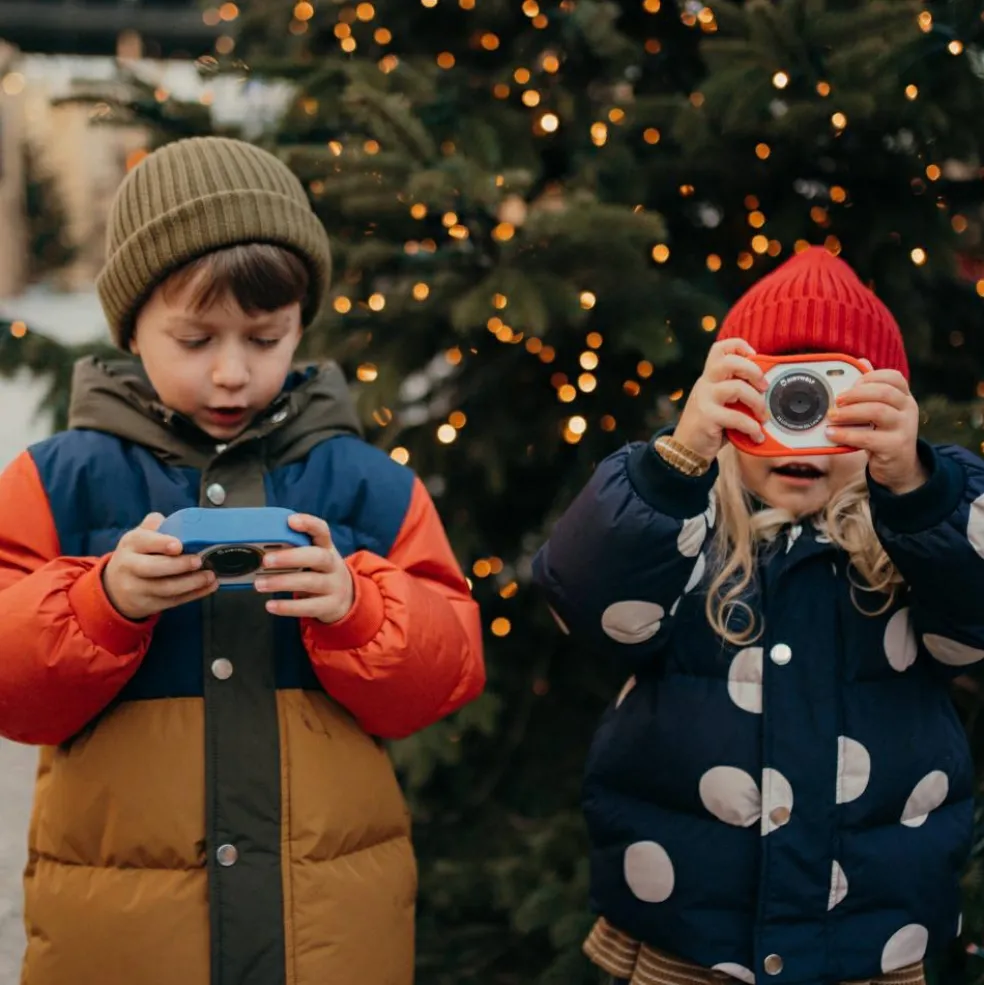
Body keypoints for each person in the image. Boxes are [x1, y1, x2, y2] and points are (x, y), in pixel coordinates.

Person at [0, 136, 485, 985]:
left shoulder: (367, 486)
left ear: (300, 322)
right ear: (132, 325)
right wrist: (101, 601)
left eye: (265, 338)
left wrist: (358, 608)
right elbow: (12, 690)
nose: (232, 373)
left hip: (329, 935)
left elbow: (446, 670)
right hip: (127, 944)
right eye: (195, 339)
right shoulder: (56, 482)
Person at [532, 247, 984, 985]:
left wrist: (918, 487)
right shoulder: (683, 531)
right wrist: (677, 460)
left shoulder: (915, 544)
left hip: (864, 945)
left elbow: (975, 622)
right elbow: (583, 600)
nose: (801, 415)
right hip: (689, 935)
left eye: (832, 395)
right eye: (776, 390)